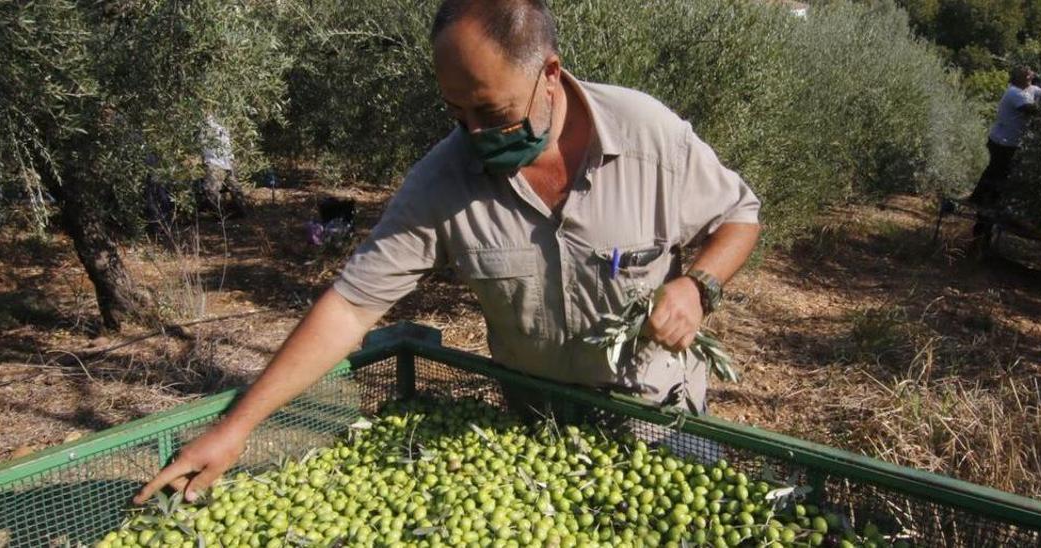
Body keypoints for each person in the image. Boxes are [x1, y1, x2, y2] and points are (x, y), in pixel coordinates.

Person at [135, 0, 761, 505]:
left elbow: (740, 214)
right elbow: (351, 309)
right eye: (457, 112)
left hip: (655, 417)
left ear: (549, 73)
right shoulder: (445, 178)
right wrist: (237, 428)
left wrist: (697, 285)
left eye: (491, 110)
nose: (476, 135)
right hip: (531, 425)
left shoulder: (647, 134)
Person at [967, 65, 1041, 208]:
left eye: (1031, 75)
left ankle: (984, 201)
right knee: (997, 172)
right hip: (1002, 142)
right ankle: (983, 201)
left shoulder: (1030, 89)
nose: (1031, 78)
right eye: (1028, 76)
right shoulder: (1014, 93)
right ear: (1019, 79)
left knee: (997, 172)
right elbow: (1031, 110)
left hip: (1010, 141)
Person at [196, 114, 249, 218]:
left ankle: (222, 214)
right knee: (234, 189)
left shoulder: (207, 125)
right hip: (226, 161)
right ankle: (235, 213)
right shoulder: (222, 123)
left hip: (217, 163)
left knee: (211, 190)